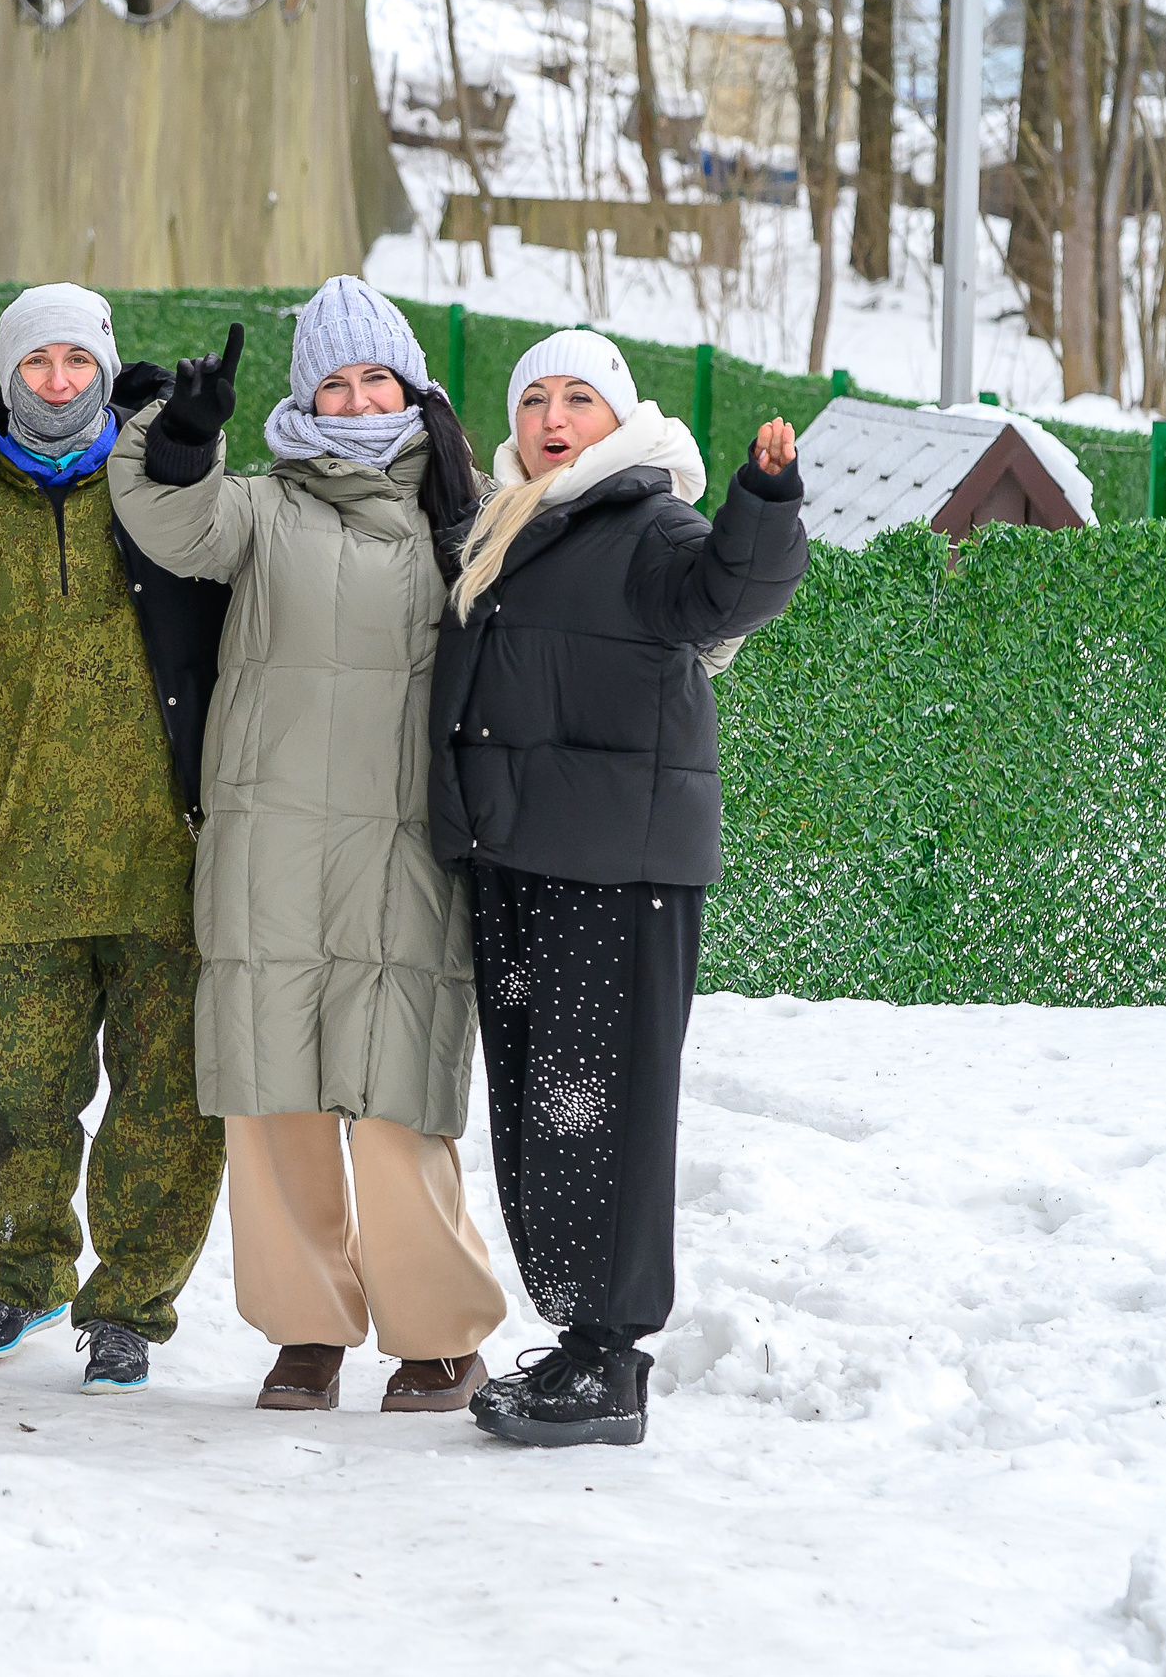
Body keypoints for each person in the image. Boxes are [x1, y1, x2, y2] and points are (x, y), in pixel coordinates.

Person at [108, 276, 507, 1414]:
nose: (358, 399)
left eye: (376, 377)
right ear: (304, 400)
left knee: (395, 1103)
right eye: (334, 383)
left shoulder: (473, 518)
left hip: (406, 848)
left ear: (411, 386)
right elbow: (165, 516)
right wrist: (182, 436)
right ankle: (305, 1332)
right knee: (273, 1094)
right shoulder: (259, 507)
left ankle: (439, 1338)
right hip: (270, 841)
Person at [427, 329, 807, 1447]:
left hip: (617, 872)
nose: (553, 417)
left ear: (619, 416)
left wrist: (763, 502)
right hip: (520, 861)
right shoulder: (506, 523)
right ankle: (579, 1340)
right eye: (535, 398)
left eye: (578, 398)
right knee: (541, 1117)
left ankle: (612, 1362)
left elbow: (726, 592)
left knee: (606, 1116)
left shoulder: (651, 522)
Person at [0, 285, 229, 1396]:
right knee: (7, 1090)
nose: (57, 382)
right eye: (35, 362)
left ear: (106, 369)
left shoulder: (164, 489)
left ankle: (131, 1305)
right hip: (18, 853)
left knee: (166, 1100)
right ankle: (23, 1273)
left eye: (77, 361)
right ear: (7, 373)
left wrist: (192, 446)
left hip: (168, 857)